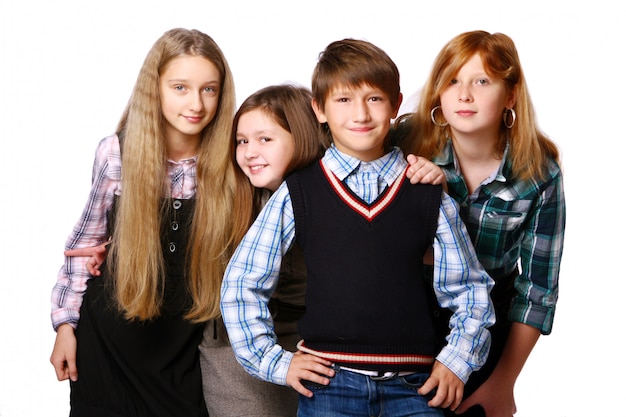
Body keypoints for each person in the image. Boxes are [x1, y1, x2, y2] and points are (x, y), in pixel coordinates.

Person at [220, 38, 495, 417]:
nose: (360, 114)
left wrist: (456, 361)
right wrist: (275, 362)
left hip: (415, 386)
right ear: (319, 109)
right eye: (344, 100)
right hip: (331, 385)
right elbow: (243, 281)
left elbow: (470, 289)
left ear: (396, 105)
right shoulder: (300, 191)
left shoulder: (426, 192)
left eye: (374, 98)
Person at [49, 28, 236, 417]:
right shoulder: (116, 152)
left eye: (209, 89)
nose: (196, 103)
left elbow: (298, 151)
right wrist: (65, 326)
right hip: (107, 348)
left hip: (180, 351)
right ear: (156, 87)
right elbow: (85, 243)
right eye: (181, 87)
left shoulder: (232, 162)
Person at [400, 30, 566, 417]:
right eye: (453, 80)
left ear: (510, 95)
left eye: (482, 81)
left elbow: (537, 290)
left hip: (488, 323)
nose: (464, 95)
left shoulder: (539, 173)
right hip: (406, 311)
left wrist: (503, 383)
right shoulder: (406, 140)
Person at [198, 84, 327, 416]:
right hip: (237, 350)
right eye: (242, 141)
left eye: (264, 139)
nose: (249, 152)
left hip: (309, 343)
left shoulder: (327, 193)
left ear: (303, 136)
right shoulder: (233, 196)